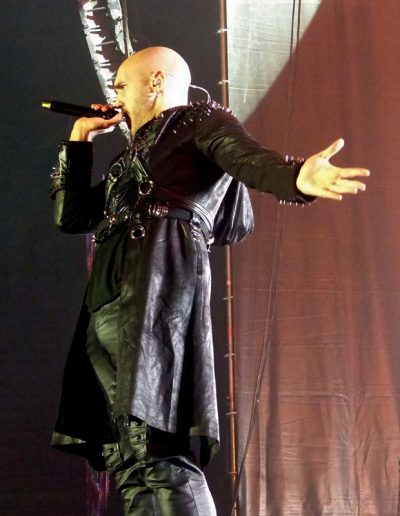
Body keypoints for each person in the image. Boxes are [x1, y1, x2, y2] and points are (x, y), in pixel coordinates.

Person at [49, 46, 369, 515]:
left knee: (160, 450)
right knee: (130, 462)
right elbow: (71, 216)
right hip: (106, 308)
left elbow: (249, 160)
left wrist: (299, 175)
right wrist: (80, 138)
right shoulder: (129, 160)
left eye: (121, 85)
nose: (115, 97)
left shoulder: (200, 121)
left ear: (155, 82)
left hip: (157, 296)